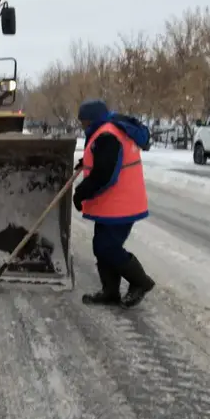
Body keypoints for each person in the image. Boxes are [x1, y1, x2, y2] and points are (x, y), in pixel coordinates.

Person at [72, 99, 155, 308]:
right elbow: (106, 161)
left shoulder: (107, 135)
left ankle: (141, 282)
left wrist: (81, 193)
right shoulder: (107, 131)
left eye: (83, 121)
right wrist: (87, 162)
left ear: (91, 119)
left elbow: (104, 175)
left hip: (121, 205)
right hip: (113, 205)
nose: (82, 125)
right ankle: (110, 291)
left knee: (107, 247)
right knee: (102, 246)